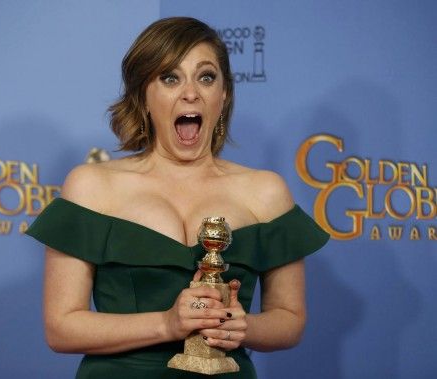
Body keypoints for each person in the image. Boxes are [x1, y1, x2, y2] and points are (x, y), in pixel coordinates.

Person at [26, 17, 329, 378]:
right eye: (170, 78)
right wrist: (167, 324)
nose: (191, 92)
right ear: (143, 95)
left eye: (206, 77)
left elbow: (289, 321)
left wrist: (242, 326)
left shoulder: (266, 191)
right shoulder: (92, 186)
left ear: (224, 94)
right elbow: (61, 328)